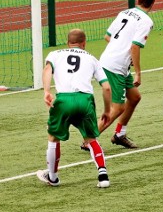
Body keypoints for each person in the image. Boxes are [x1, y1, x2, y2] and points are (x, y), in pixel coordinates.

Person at [36, 29, 112, 189]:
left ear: (67, 43)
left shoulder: (55, 54)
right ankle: (103, 174)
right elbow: (106, 88)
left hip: (63, 100)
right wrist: (106, 111)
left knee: (53, 137)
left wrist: (47, 91)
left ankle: (53, 177)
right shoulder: (92, 58)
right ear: (84, 43)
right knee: (91, 139)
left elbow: (47, 70)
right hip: (85, 101)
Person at [93, 0, 158, 149]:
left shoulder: (124, 13)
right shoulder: (146, 21)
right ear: (153, 2)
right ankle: (90, 139)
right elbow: (135, 47)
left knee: (135, 97)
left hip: (113, 61)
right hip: (115, 66)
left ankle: (119, 134)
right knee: (118, 107)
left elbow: (107, 36)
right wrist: (138, 73)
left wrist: (121, 50)